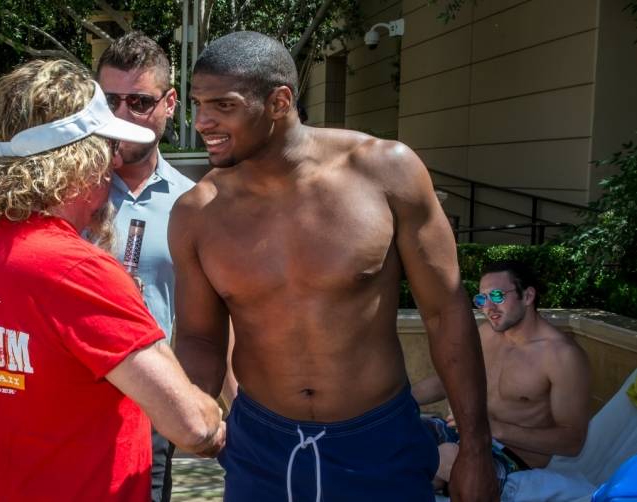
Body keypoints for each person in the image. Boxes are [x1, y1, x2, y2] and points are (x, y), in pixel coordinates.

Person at [170, 31, 497, 502]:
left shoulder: (387, 171)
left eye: (223, 105)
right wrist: (194, 407)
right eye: (199, 103)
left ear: (279, 101)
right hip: (261, 445)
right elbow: (201, 337)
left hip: (379, 441)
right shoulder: (197, 212)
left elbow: (446, 311)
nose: (203, 122)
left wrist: (476, 446)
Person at [0, 59, 224, 502]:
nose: (113, 166)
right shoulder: (77, 271)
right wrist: (218, 415)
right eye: (106, 151)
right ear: (78, 163)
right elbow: (195, 428)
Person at [96, 31, 199, 502]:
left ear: (169, 103)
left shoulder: (193, 203)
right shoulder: (68, 194)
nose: (120, 116)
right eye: (109, 100)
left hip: (149, 408)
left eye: (138, 102)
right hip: (69, 402)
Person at [414, 260, 591, 493]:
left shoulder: (561, 356)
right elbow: (450, 379)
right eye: (481, 299)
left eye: (497, 296)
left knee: (445, 456)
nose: (488, 307)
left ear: (527, 296)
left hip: (513, 458)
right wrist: (395, 401)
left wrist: (493, 429)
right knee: (395, 430)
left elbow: (572, 441)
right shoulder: (487, 333)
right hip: (465, 435)